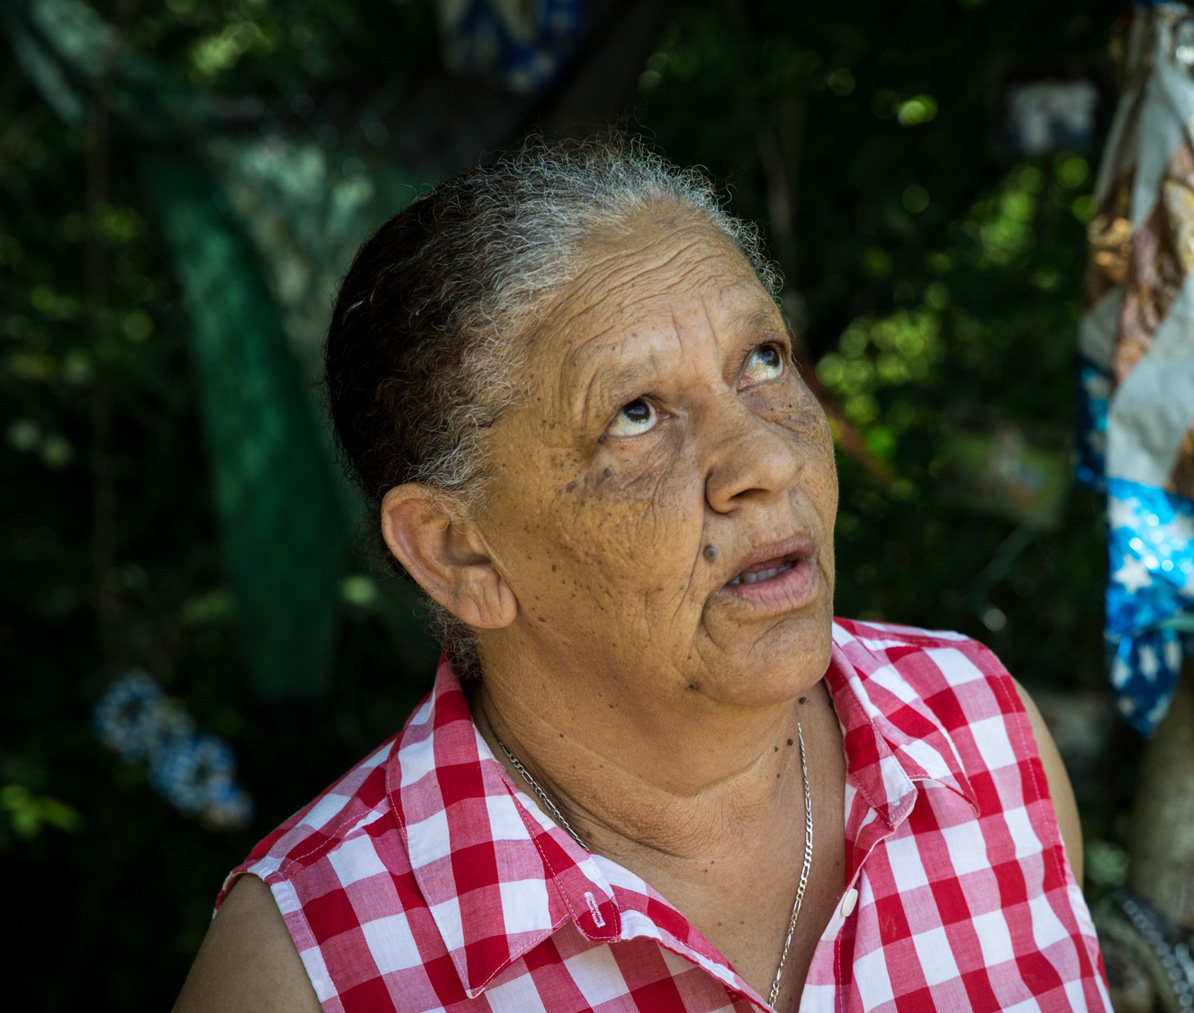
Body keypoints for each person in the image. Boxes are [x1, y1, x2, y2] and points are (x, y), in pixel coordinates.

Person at [171, 139, 1110, 1013]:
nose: (766, 459)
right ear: (461, 551)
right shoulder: (304, 971)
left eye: (764, 360)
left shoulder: (982, 737)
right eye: (634, 413)